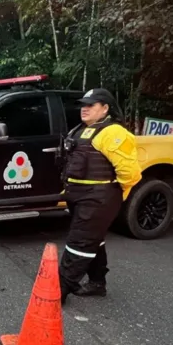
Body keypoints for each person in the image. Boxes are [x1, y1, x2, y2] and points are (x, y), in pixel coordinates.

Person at [58, 88, 142, 304]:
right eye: (83, 104)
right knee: (94, 240)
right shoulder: (81, 130)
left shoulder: (113, 133)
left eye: (91, 105)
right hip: (80, 195)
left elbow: (130, 174)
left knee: (79, 242)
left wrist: (114, 196)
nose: (84, 108)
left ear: (105, 108)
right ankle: (97, 283)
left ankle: (57, 292)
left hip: (98, 197)